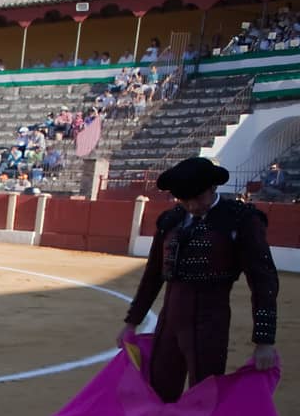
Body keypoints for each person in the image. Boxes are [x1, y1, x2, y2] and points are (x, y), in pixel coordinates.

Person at [119, 157, 279, 403]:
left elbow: (263, 280)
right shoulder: (170, 221)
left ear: (213, 188)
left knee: (204, 397)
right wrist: (132, 322)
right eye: (184, 200)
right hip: (169, 321)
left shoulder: (241, 219)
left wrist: (264, 340)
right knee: (158, 393)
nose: (192, 206)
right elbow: (153, 275)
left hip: (210, 322)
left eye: (198, 198)